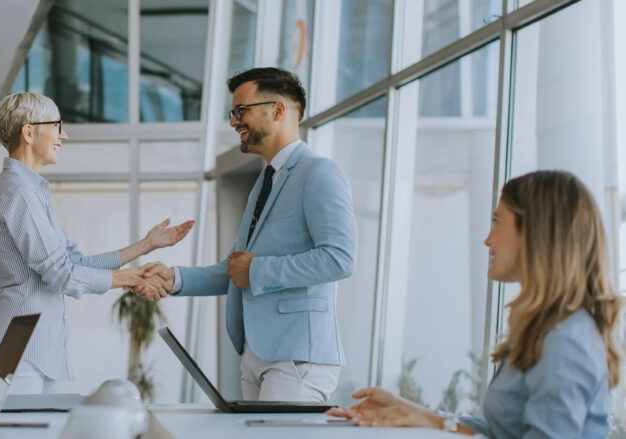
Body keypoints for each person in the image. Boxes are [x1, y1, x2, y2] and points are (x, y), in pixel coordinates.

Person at [326, 170, 621, 438]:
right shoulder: (544, 329)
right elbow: (501, 432)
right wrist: (408, 410)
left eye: (497, 222)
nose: (487, 240)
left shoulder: (567, 340)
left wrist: (431, 423)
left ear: (535, 230)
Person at [141, 67, 357, 403]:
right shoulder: (265, 182)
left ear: (278, 110)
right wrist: (175, 278)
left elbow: (339, 259)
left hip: (296, 357)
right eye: (233, 113)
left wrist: (256, 270)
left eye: (241, 110)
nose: (233, 121)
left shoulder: (319, 172)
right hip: (256, 355)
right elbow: (236, 267)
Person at [0, 92, 193, 394]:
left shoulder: (31, 190)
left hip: (34, 346)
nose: (63, 135)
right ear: (28, 132)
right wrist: (132, 277)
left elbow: (74, 264)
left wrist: (146, 245)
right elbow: (62, 275)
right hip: (18, 345)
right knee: (13, 423)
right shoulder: (18, 192)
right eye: (56, 126)